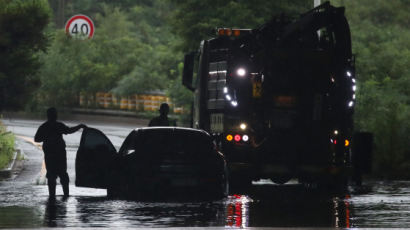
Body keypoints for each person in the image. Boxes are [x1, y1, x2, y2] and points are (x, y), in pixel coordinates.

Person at [34, 107, 86, 198]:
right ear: (55, 115)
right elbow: (69, 130)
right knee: (63, 174)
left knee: (51, 175)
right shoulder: (59, 125)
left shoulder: (44, 127)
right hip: (60, 154)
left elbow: (36, 139)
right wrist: (80, 126)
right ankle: (66, 195)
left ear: (48, 115)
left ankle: (52, 196)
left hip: (50, 155)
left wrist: (46, 137)